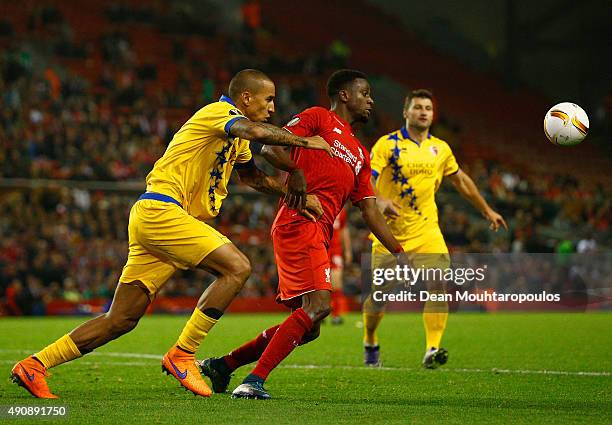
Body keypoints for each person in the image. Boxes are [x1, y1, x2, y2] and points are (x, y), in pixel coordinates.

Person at [10, 69, 331, 399]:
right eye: (268, 99)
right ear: (246, 98)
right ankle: (183, 353)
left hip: (160, 220)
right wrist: (304, 142)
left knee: (120, 319)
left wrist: (297, 197)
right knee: (237, 267)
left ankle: (35, 365)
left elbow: (253, 178)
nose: (273, 107)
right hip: (163, 211)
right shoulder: (219, 113)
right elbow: (253, 129)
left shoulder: (237, 139)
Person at [199, 69, 408, 400]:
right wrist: (295, 171)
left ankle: (222, 366)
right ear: (344, 95)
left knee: (309, 328)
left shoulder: (360, 154)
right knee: (320, 304)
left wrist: (399, 252)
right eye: (364, 93)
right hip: (299, 220)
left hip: (321, 232)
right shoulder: (318, 118)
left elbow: (369, 210)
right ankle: (253, 381)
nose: (371, 100)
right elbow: (268, 148)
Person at [362, 89, 507, 368]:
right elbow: (367, 178)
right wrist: (379, 200)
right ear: (406, 112)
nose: (424, 112)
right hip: (389, 234)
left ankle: (432, 349)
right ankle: (370, 338)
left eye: (428, 107)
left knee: (438, 284)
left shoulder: (440, 148)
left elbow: (461, 181)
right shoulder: (386, 145)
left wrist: (487, 210)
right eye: (417, 107)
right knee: (379, 297)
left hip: (427, 230)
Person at [329, 207, 352, 324]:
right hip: (319, 248)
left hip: (335, 250)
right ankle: (318, 313)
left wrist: (347, 250)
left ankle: (336, 314)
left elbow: (343, 229)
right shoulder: (316, 201)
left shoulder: (341, 209)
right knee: (317, 284)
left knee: (336, 280)